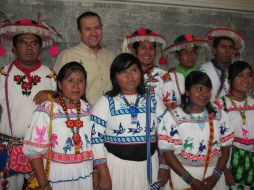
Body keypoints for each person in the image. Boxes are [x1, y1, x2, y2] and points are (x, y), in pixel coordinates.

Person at [91, 53, 169, 190]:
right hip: (117, 169)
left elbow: (167, 131)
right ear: (115, 76)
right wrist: (103, 174)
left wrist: (164, 165)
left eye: (134, 70)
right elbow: (95, 139)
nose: (130, 76)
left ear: (140, 73)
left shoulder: (152, 98)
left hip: (150, 167)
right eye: (123, 72)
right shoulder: (106, 101)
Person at [0, 19, 57, 190]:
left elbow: (63, 106)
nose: (29, 47)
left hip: (42, 151)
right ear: (14, 47)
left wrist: (53, 95)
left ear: (41, 47)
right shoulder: (3, 74)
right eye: (23, 43)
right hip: (7, 147)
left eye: (34, 43)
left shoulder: (50, 75)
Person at [158, 71, 234, 190]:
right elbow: (168, 152)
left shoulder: (220, 116)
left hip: (213, 177)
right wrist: (191, 181)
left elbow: (225, 148)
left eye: (208, 90)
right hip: (182, 177)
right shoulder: (172, 117)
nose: (205, 94)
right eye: (199, 89)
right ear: (187, 92)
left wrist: (215, 177)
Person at [23, 62, 93, 190]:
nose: (76, 86)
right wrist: (44, 184)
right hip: (55, 176)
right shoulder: (47, 109)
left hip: (85, 174)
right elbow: (34, 153)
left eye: (80, 81)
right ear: (60, 84)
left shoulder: (89, 109)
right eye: (70, 80)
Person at [53, 11, 115, 105]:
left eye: (97, 28)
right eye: (87, 29)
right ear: (79, 32)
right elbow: (55, 89)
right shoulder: (67, 55)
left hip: (109, 115)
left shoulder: (111, 56)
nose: (94, 33)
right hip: (80, 116)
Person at [214, 61, 254, 190]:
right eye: (240, 75)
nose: (246, 79)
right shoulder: (219, 106)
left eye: (249, 75)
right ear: (230, 80)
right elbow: (213, 140)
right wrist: (223, 170)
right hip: (227, 161)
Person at [123, 28, 176, 109]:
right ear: (135, 50)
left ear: (155, 51)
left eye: (151, 48)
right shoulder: (126, 75)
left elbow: (171, 107)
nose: (147, 52)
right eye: (143, 47)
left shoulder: (165, 76)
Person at [199, 28, 245, 101]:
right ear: (214, 50)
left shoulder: (238, 70)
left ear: (234, 51)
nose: (227, 51)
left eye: (231, 47)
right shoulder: (203, 70)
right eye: (223, 47)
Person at [164, 33, 209, 106]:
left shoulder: (202, 73)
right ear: (177, 56)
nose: (190, 55)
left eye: (193, 52)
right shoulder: (169, 74)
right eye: (186, 52)